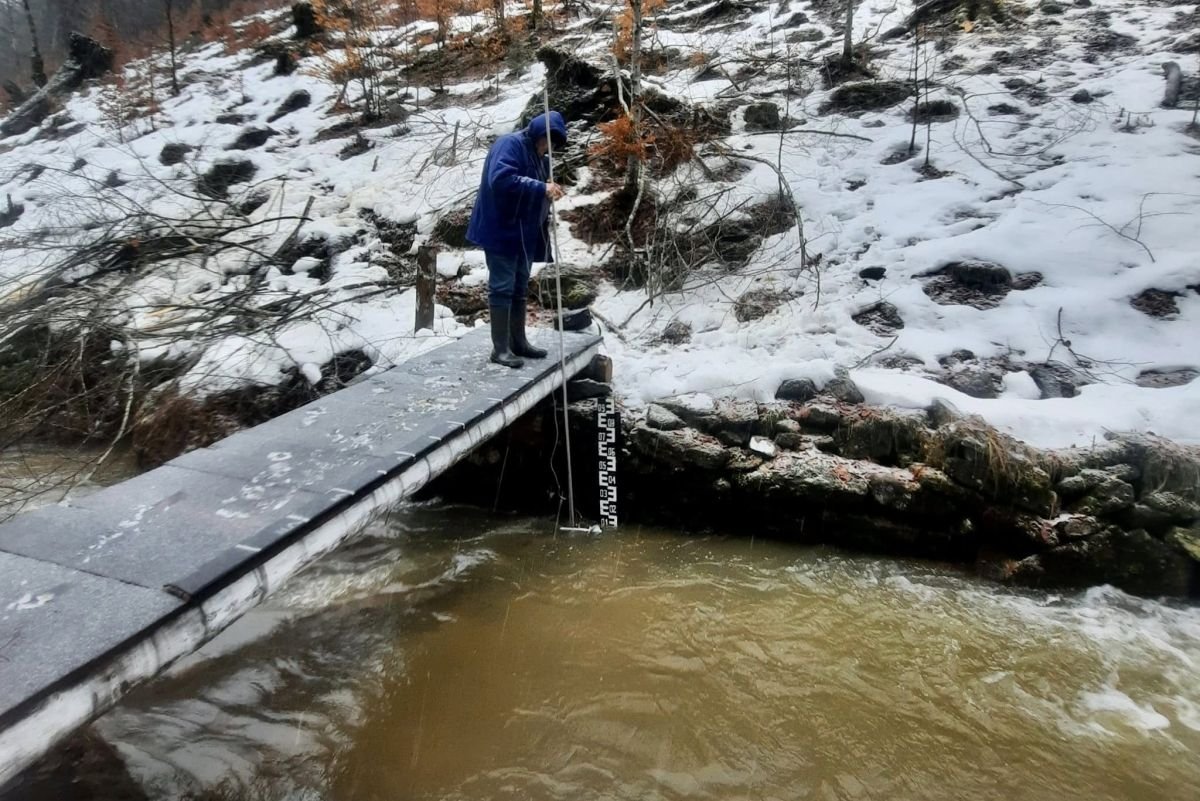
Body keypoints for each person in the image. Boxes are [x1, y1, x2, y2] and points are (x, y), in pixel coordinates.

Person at [466, 110, 569, 368]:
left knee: (520, 286)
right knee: (502, 287)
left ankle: (518, 342)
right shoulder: (509, 144)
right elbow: (501, 179)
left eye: (552, 146)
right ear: (539, 133)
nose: (548, 149)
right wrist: (541, 187)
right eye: (547, 142)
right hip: (501, 228)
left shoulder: (540, 157)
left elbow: (537, 188)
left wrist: (550, 190)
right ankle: (500, 349)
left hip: (524, 232)